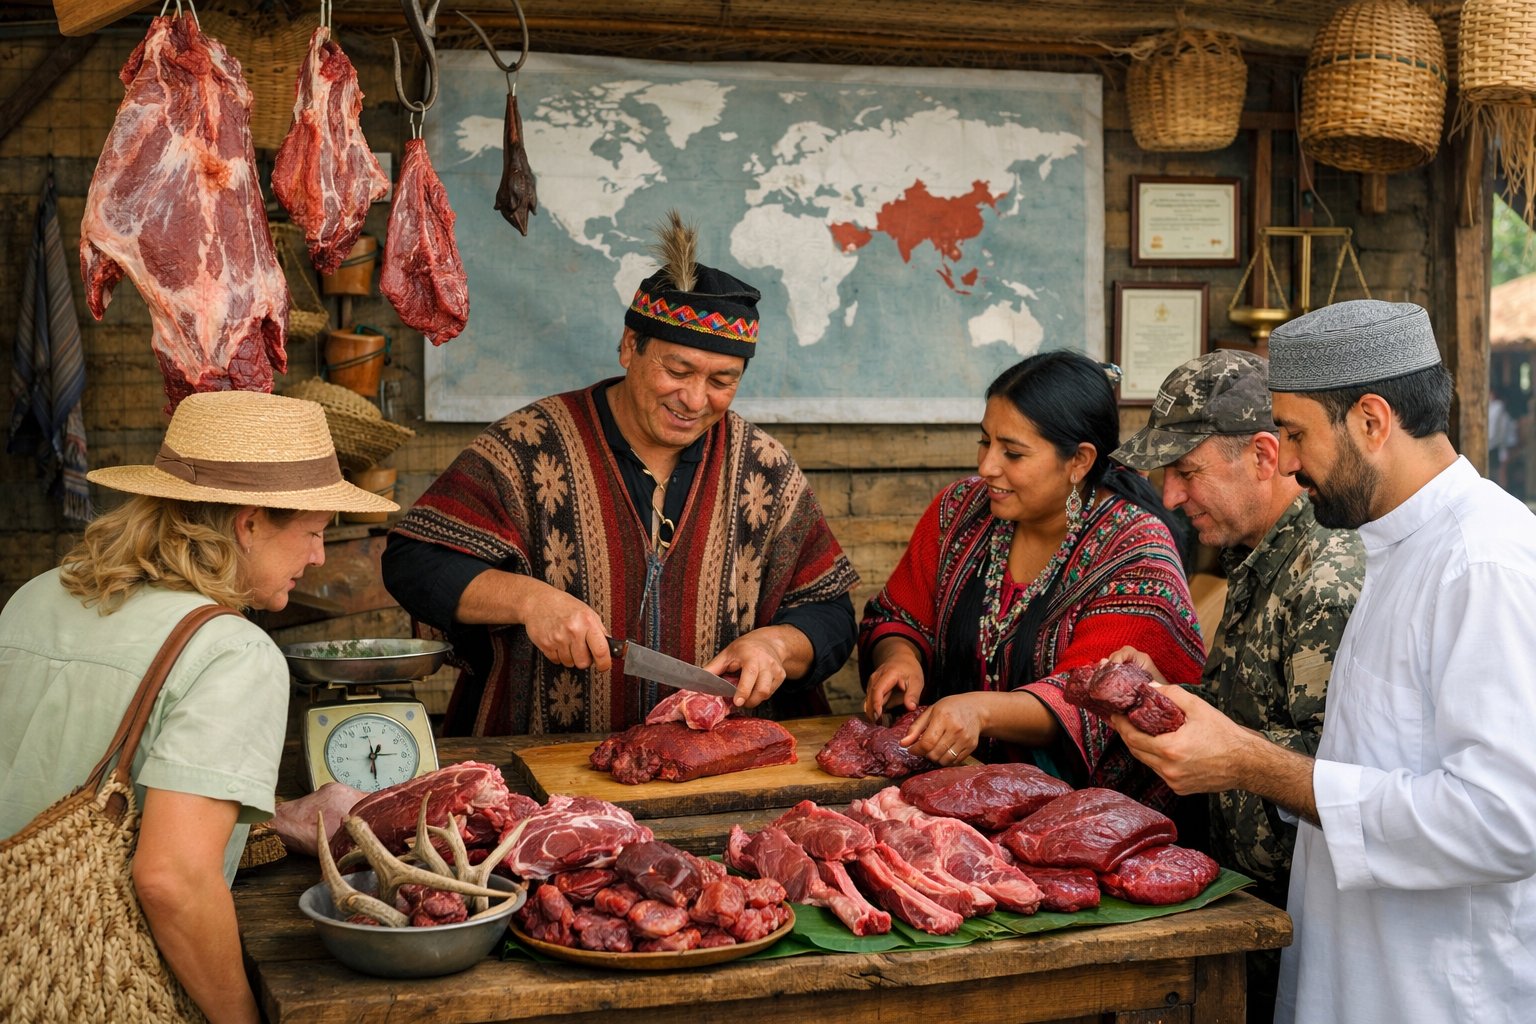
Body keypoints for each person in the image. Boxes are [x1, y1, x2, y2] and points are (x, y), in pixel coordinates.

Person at [1106, 300, 1536, 1024]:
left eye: (1297, 434)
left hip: (1436, 993)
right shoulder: (1393, 544)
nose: (1291, 463)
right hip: (1357, 968)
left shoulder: (1482, 562)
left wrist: (1247, 762)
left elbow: (1503, 821)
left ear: (1371, 421)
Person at [0, 390, 397, 1024]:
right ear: (248, 524)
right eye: (314, 533)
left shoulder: (32, 597)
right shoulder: (232, 652)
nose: (319, 556)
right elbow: (172, 879)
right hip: (98, 987)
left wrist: (273, 818)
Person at [383, 211, 859, 736]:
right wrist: (529, 599)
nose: (695, 399)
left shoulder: (764, 469)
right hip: (545, 767)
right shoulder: (526, 446)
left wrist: (777, 645)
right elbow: (414, 563)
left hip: (717, 767)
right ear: (630, 346)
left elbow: (829, 610)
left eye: (723, 380)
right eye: (677, 371)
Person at [1110, 349, 1364, 1022]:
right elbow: (1250, 713)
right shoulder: (1255, 553)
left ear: (1262, 455)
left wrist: (1226, 748)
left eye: (1186, 470)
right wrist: (1169, 698)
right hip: (1252, 913)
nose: (1168, 496)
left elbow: (1338, 778)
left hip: (1310, 932)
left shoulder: (1326, 577)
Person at [858, 351, 1206, 811]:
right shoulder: (960, 511)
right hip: (951, 801)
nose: (987, 467)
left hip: (1087, 823)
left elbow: (1093, 699)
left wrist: (979, 710)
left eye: (1013, 453)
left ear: (1079, 461)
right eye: (985, 442)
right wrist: (901, 659)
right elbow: (899, 615)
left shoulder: (1135, 551)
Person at [1488, 382, 1517, 489]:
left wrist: (1491, 442)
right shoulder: (1493, 407)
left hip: (1497, 445)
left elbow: (1496, 430)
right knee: (1498, 471)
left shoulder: (1497, 407)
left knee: (1500, 471)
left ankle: (1503, 490)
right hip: (1496, 444)